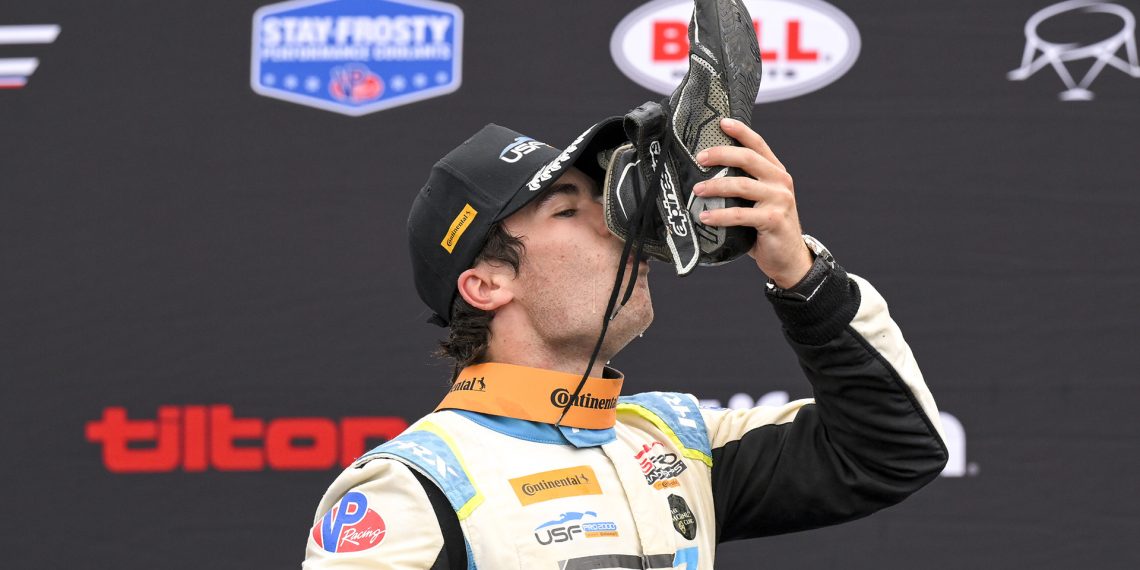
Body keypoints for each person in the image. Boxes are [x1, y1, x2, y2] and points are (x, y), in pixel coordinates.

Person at [303, 1, 947, 567]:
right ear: (487, 285)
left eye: (611, 199)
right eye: (568, 209)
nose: (622, 227)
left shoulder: (675, 444)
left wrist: (798, 275)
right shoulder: (414, 487)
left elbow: (892, 450)